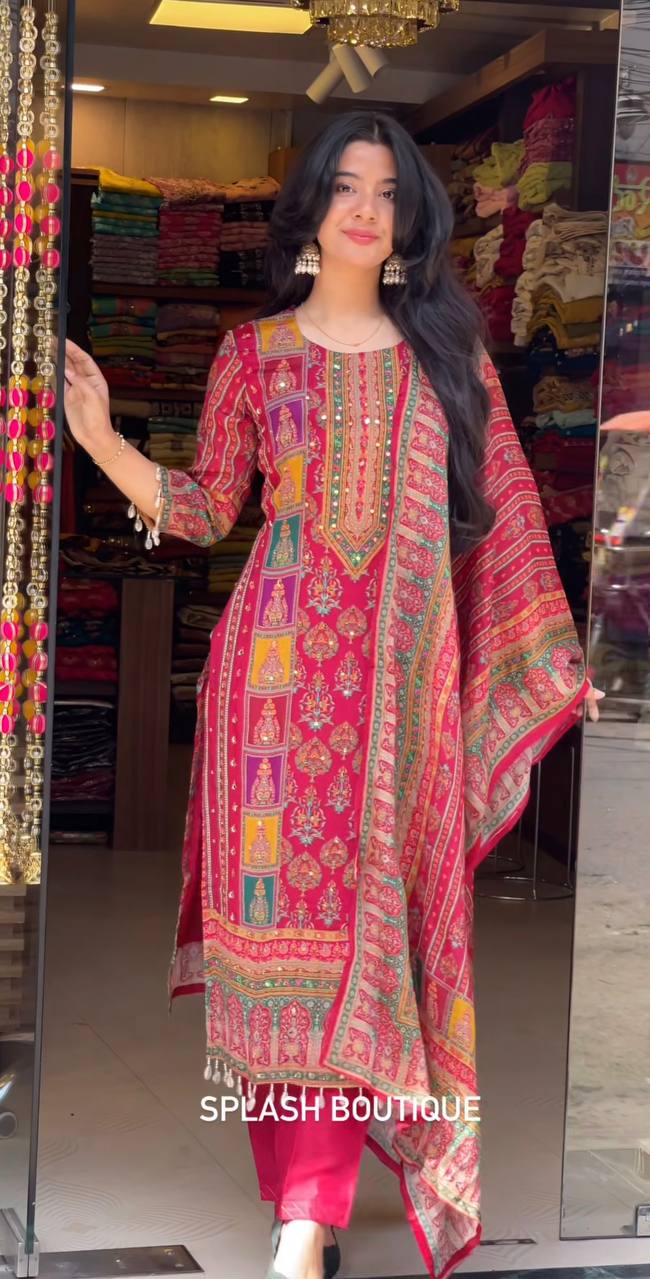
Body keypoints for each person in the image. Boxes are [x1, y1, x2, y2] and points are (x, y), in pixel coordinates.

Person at [63, 111, 601, 1279]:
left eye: (387, 191)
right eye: (344, 186)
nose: (365, 208)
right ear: (308, 206)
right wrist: (101, 440)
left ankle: (304, 1216)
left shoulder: (447, 359)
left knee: (369, 939)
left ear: (410, 218)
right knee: (277, 952)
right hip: (267, 692)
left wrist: (549, 658)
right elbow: (208, 507)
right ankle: (301, 1214)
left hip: (395, 706)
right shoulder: (250, 356)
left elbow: (507, 520)